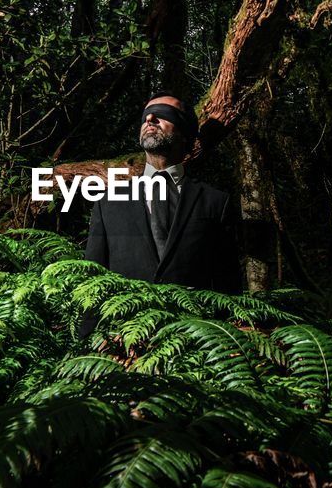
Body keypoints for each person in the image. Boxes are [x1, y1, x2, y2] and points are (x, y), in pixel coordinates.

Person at [80, 93, 242, 338]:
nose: (151, 118)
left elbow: (228, 287)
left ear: (185, 133)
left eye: (164, 114)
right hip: (123, 344)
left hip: (193, 344)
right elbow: (94, 280)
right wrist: (88, 345)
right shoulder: (108, 201)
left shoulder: (215, 202)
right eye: (146, 115)